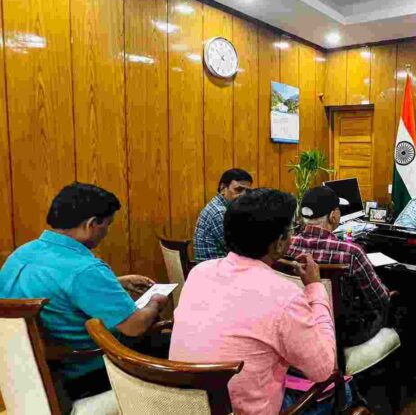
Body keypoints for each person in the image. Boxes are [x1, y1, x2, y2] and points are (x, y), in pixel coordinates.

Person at [170, 188, 338, 415]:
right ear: (279, 243)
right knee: (341, 389)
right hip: (244, 410)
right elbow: (324, 369)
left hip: (189, 406)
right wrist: (315, 287)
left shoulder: (199, 272)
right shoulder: (284, 295)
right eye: (291, 230)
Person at [0, 182, 168, 406]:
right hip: (82, 375)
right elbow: (134, 326)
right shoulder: (85, 270)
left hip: (28, 376)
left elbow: (54, 290)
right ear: (91, 224)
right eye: (107, 225)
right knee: (170, 342)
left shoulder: (22, 254)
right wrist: (155, 302)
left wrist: (116, 282)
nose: (106, 232)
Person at [288, 186, 391, 346]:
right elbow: (379, 299)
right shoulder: (351, 252)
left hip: (298, 325)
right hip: (343, 334)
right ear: (333, 216)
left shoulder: (287, 245)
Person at [193, 168, 253, 262]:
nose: (244, 195)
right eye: (238, 190)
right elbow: (241, 250)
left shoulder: (220, 206)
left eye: (248, 192)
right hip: (215, 269)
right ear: (223, 188)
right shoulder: (220, 212)